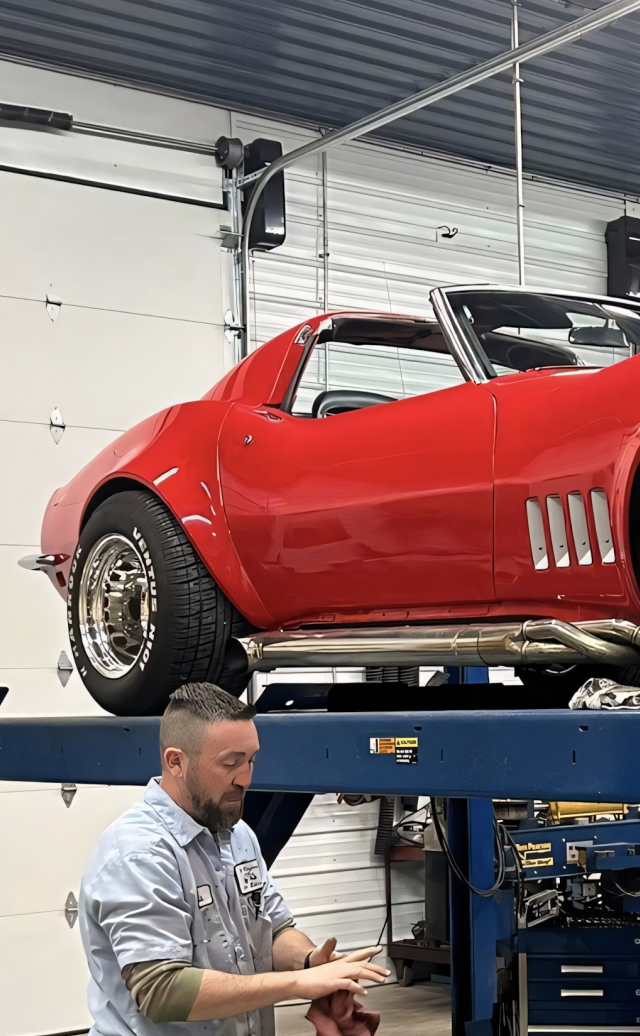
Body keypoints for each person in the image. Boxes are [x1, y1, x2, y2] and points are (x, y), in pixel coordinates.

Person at [79, 682, 388, 1036]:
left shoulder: (238, 836)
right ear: (176, 761)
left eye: (251, 760)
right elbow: (160, 991)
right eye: (230, 763)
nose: (245, 778)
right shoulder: (138, 852)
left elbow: (273, 930)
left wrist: (307, 960)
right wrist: (299, 983)